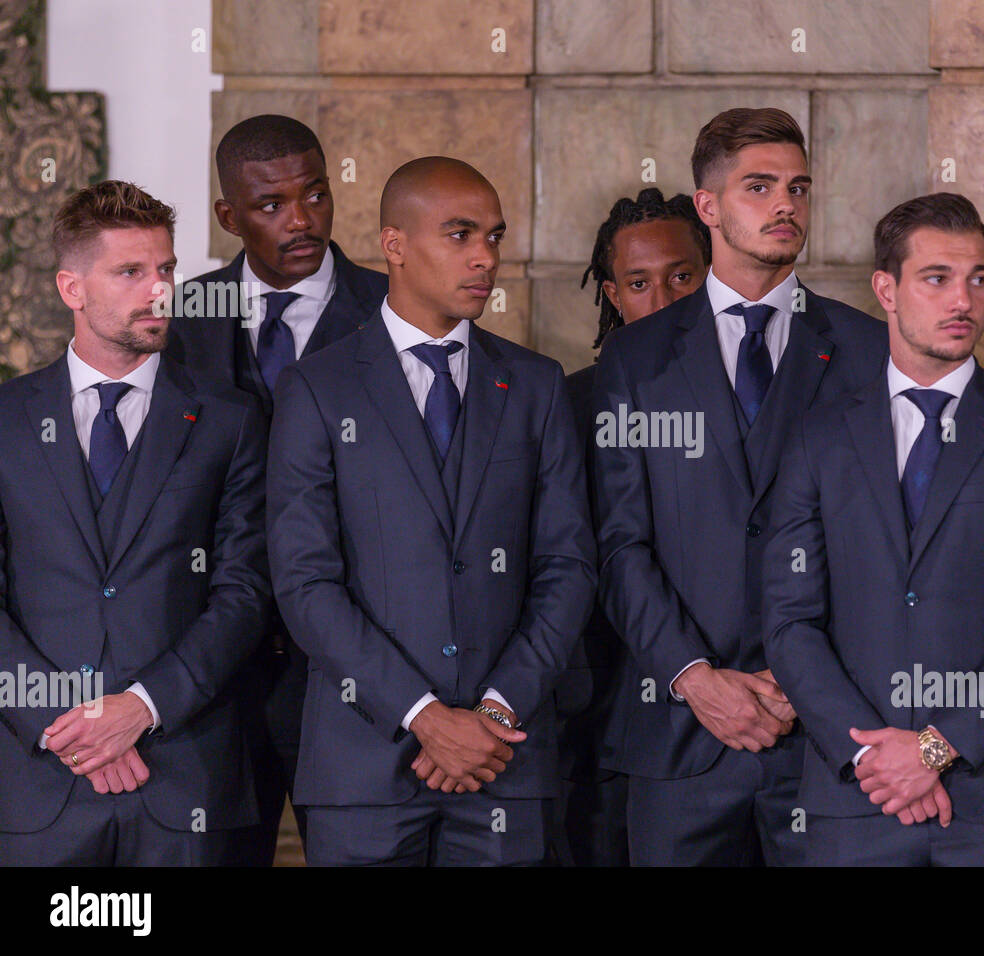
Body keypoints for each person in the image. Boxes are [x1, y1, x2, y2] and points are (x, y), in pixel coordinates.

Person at [267, 156, 595, 866]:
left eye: (495, 236)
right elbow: (304, 582)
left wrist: (495, 714)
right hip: (363, 768)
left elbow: (568, 568)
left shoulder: (535, 386)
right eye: (459, 234)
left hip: (507, 763)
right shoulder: (317, 389)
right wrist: (423, 718)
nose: (486, 257)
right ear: (394, 245)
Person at [590, 107, 888, 865]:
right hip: (679, 739)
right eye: (760, 187)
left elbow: (889, 546)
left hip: (834, 739)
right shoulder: (637, 359)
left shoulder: (867, 349)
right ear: (710, 207)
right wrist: (695, 678)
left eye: (798, 187)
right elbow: (621, 545)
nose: (786, 204)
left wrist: (804, 687)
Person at [762, 192, 984, 866]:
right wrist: (873, 755)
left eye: (977, 278)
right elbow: (789, 622)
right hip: (858, 799)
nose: (963, 299)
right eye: (937, 278)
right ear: (886, 288)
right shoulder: (817, 438)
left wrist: (934, 749)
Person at [0, 181, 271, 864]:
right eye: (130, 271)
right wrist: (69, 730)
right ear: (72, 288)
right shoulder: (4, 420)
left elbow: (246, 592)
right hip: (39, 786)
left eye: (166, 269)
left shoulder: (231, 421)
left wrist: (141, 708)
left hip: (185, 780)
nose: (159, 290)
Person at [166, 114, 387, 864]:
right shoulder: (180, 317)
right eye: (270, 206)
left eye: (316, 194)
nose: (301, 220)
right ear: (228, 216)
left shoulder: (395, 312)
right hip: (216, 676)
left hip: (355, 669)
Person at [558, 187, 709, 866]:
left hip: (746, 706)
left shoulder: (763, 386)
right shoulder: (568, 403)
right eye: (640, 283)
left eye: (682, 276)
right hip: (602, 714)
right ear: (613, 295)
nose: (665, 299)